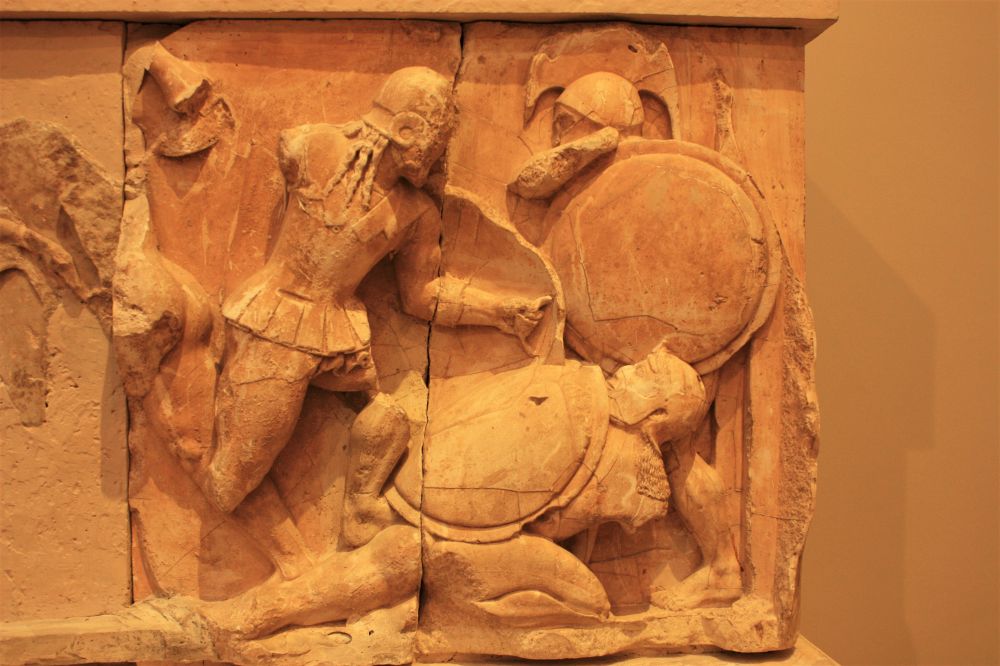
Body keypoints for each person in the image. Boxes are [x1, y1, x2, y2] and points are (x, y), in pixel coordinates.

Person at [199, 66, 551, 546]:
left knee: (394, 416)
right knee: (234, 478)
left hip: (337, 334)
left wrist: (500, 313)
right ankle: (179, 444)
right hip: (274, 326)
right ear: (406, 130)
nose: (442, 153)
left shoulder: (415, 214)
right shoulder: (313, 148)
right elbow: (273, 166)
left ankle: (360, 508)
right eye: (438, 139)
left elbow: (422, 296)